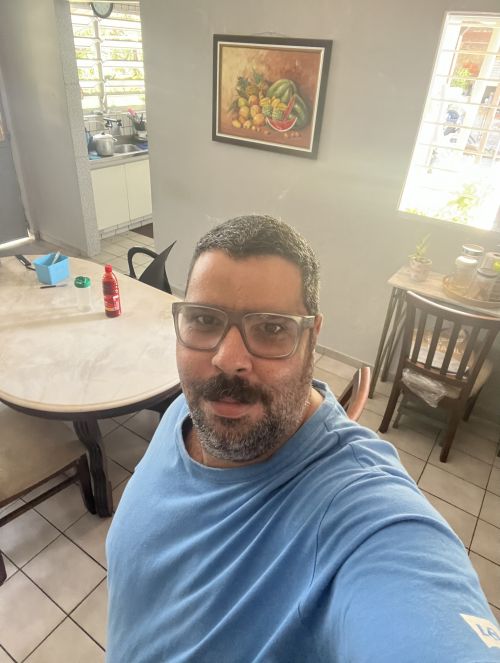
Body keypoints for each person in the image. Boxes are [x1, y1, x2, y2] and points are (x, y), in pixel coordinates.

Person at [106, 215, 500, 662]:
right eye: (204, 319)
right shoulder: (189, 407)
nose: (227, 359)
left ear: (312, 338)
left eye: (272, 328)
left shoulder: (362, 517)